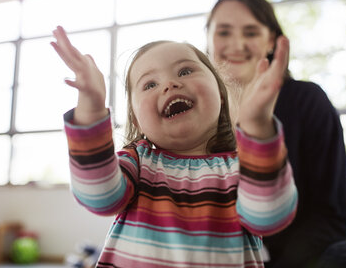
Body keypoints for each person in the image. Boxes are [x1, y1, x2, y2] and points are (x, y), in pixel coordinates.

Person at [51, 25, 298, 267]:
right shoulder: (137, 162)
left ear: (220, 93)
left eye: (185, 71)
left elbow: (269, 217)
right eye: (149, 84)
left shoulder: (244, 167)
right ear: (137, 119)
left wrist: (258, 127)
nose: (170, 84)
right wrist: (91, 107)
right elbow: (98, 197)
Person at [206, 0, 346, 268]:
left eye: (251, 32)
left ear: (271, 40)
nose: (237, 43)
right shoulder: (197, 112)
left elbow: (332, 215)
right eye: (223, 32)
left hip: (298, 259)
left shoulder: (308, 101)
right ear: (208, 38)